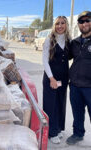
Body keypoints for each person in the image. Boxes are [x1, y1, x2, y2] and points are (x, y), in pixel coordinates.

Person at [42, 16, 71, 144]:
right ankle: (51, 132)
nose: (60, 26)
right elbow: (44, 60)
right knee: (50, 104)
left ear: (66, 25)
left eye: (62, 23)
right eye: (57, 23)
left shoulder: (68, 40)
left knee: (60, 103)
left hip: (63, 79)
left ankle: (58, 128)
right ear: (54, 26)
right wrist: (51, 78)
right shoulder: (49, 40)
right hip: (51, 78)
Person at [66, 11, 91, 145]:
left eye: (87, 20)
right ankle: (78, 134)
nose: (85, 24)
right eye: (81, 22)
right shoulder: (74, 42)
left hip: (90, 87)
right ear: (78, 25)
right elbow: (65, 57)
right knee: (77, 113)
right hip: (75, 85)